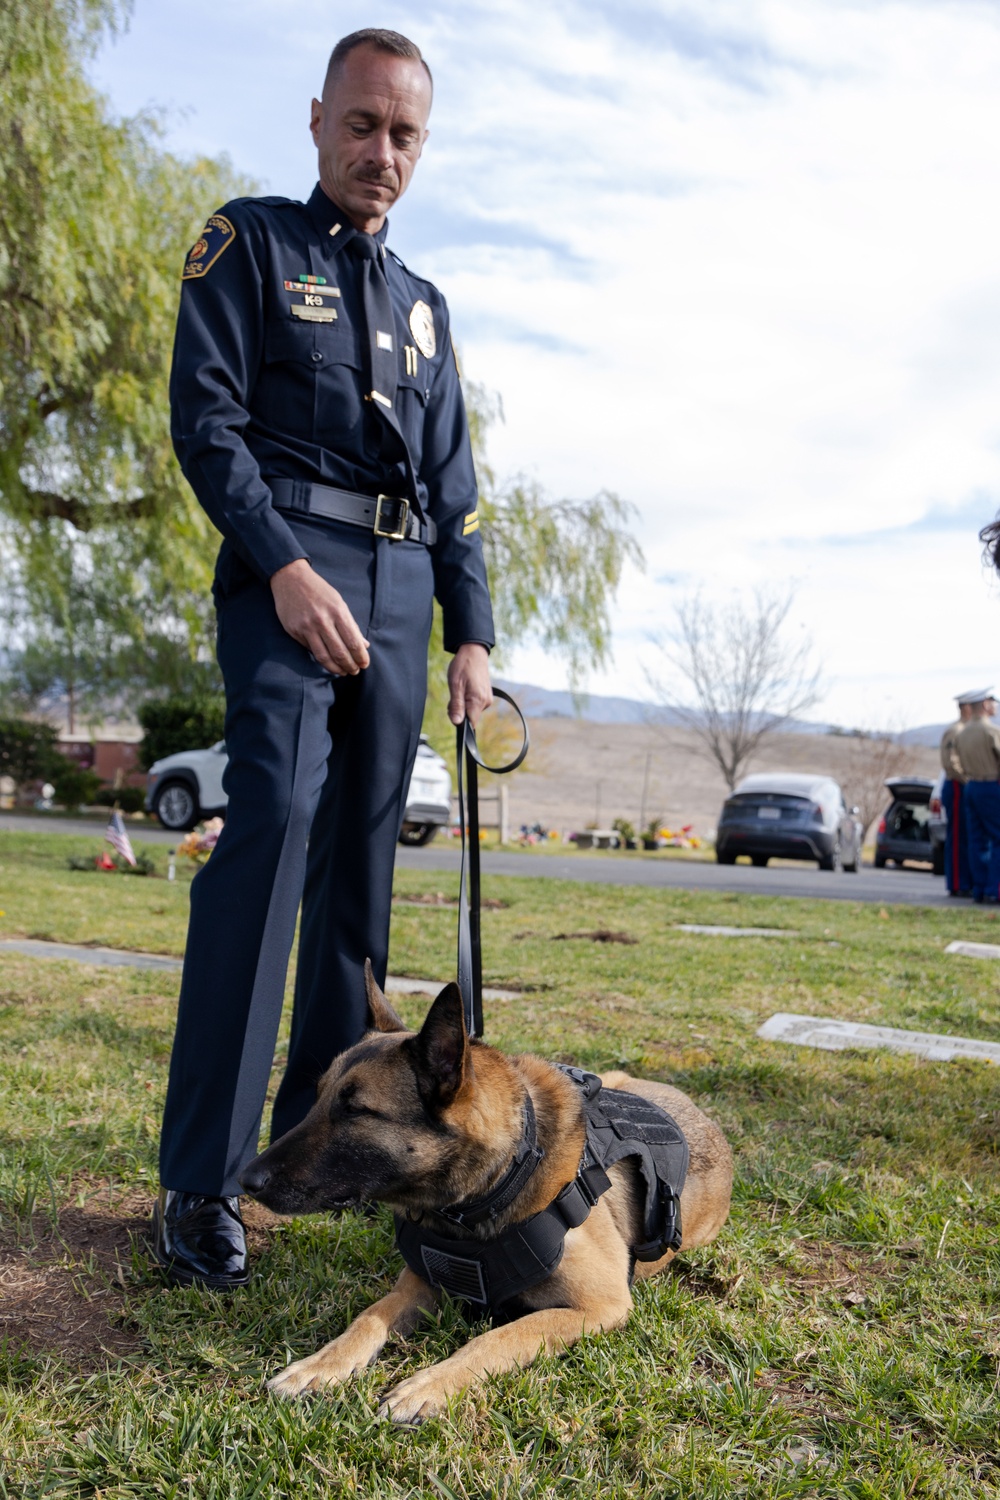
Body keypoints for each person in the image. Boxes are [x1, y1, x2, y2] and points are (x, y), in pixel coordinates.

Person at [151, 28, 495, 1288]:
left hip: (402, 594)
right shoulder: (249, 246)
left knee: (360, 871)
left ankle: (321, 1156)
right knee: (274, 839)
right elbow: (207, 423)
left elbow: (458, 490)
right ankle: (199, 1179)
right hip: (287, 573)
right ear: (315, 121)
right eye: (362, 125)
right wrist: (283, 565)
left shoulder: (425, 309)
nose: (381, 153)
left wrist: (474, 633)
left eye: (404, 134)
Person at [955, 691, 1000, 905]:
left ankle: (979, 889)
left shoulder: (962, 733)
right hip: (991, 785)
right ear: (984, 704)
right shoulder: (991, 730)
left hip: (971, 785)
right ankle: (995, 889)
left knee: (976, 840)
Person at [938, 693, 974, 896]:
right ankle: (958, 883)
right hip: (957, 785)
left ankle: (964, 881)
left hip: (963, 785)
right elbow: (951, 762)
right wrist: (967, 779)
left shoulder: (966, 730)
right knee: (958, 837)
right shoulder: (955, 731)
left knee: (966, 837)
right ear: (966, 708)